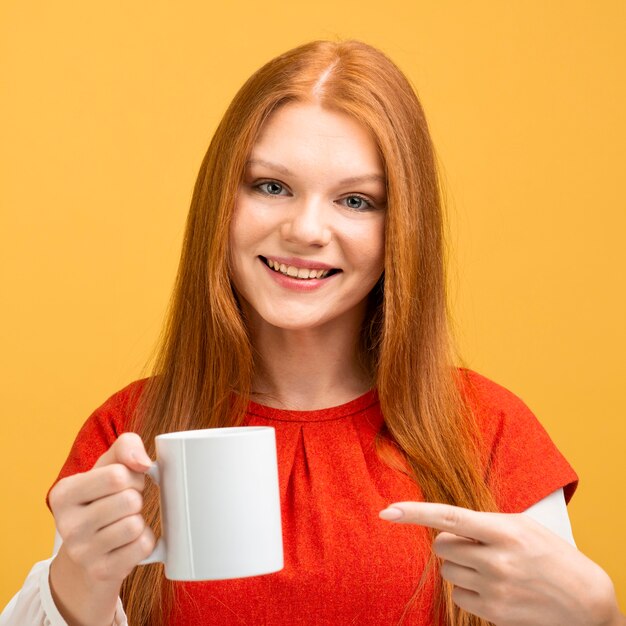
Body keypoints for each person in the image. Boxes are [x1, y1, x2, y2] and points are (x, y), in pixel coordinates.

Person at [1, 40, 623, 626]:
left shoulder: (487, 431)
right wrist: (72, 591)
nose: (305, 229)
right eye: (272, 187)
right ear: (222, 201)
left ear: (400, 228)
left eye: (356, 201)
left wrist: (599, 614)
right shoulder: (130, 435)